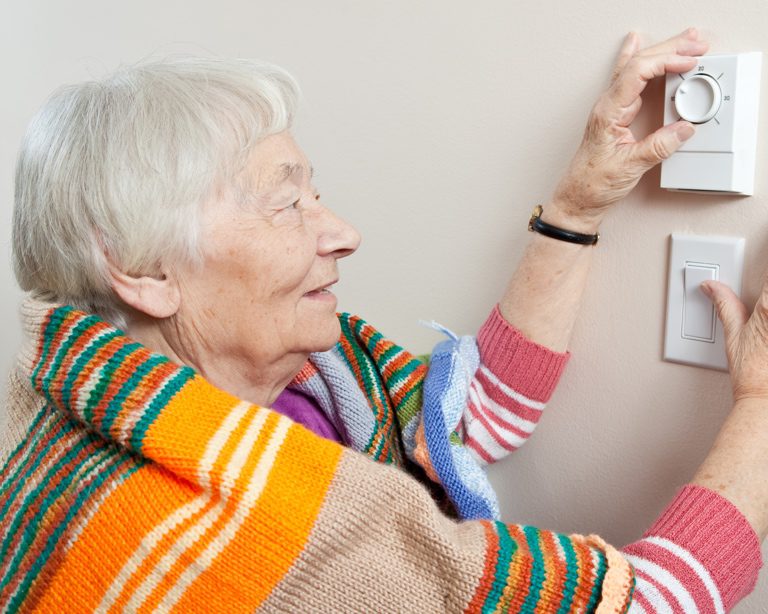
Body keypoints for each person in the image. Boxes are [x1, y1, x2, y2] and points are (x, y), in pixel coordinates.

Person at [0, 27, 764, 612]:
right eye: (286, 202)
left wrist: (577, 208)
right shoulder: (238, 539)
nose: (342, 232)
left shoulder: (296, 386)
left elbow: (468, 421)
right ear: (142, 272)